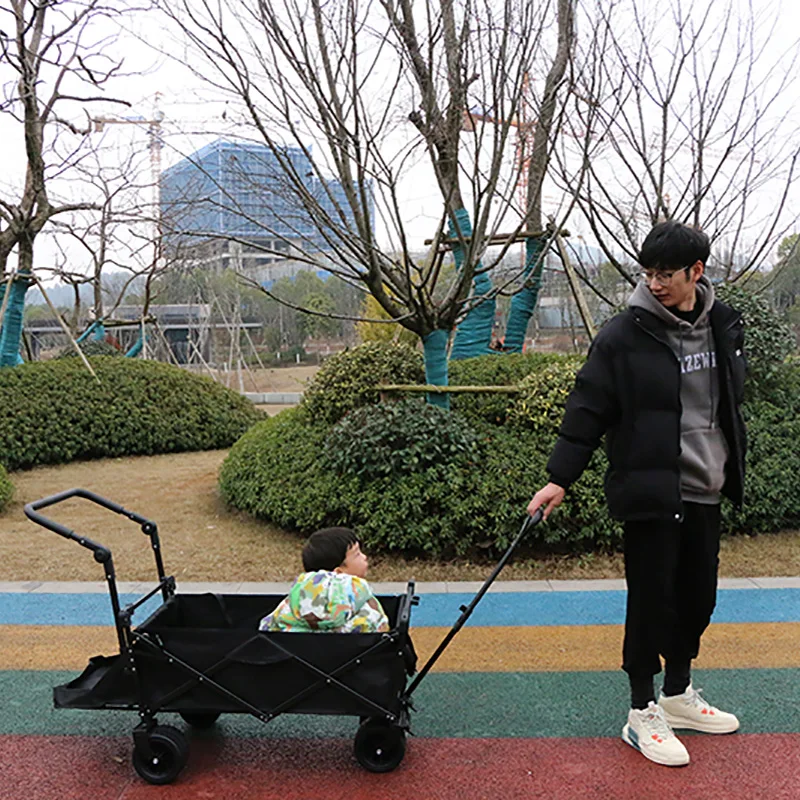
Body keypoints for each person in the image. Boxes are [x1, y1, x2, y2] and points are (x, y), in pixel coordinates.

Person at [527, 221, 746, 767]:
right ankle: (641, 710)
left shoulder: (723, 323)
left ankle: (677, 695)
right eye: (647, 273)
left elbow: (727, 406)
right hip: (650, 489)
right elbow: (587, 408)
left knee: (698, 599)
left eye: (665, 274)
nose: (654, 283)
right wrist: (560, 477)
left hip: (706, 486)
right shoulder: (624, 335)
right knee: (650, 602)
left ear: (697, 271)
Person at [260, 527, 390, 633]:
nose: (365, 557)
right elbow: (382, 633)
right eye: (357, 554)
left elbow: (267, 627)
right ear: (339, 572)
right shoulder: (364, 601)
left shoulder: (295, 600)